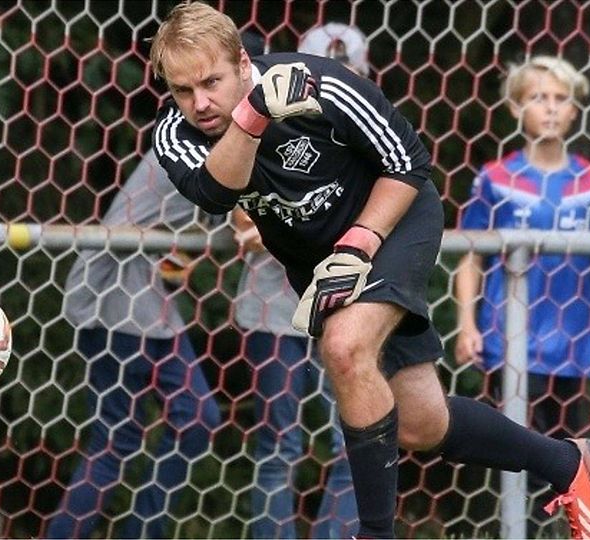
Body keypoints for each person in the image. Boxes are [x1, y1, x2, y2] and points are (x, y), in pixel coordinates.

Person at [149, 3, 590, 538]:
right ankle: (565, 464)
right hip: (319, 260)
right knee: (420, 424)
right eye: (183, 91)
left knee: (345, 347)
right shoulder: (175, 134)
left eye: (212, 82)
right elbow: (215, 191)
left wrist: (361, 243)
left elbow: (410, 162)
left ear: (244, 63)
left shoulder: (321, 84)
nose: (199, 103)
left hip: (393, 221)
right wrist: (251, 117)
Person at [454, 55, 590, 535]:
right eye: (539, 98)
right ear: (517, 108)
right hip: (507, 338)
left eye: (561, 99)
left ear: (576, 110)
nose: (551, 108)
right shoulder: (496, 178)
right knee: (508, 455)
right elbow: (470, 255)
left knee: (570, 461)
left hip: (570, 342)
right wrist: (467, 325)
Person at [231, 22, 372, 539]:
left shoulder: (368, 133)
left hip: (347, 308)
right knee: (279, 444)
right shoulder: (263, 126)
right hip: (275, 310)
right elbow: (241, 213)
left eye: (351, 72)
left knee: (354, 439)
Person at [47, 150, 221, 539]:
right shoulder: (198, 138)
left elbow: (176, 239)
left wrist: (178, 264)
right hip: (114, 304)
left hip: (151, 304)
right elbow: (242, 211)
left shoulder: (223, 138)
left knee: (198, 417)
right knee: (116, 440)